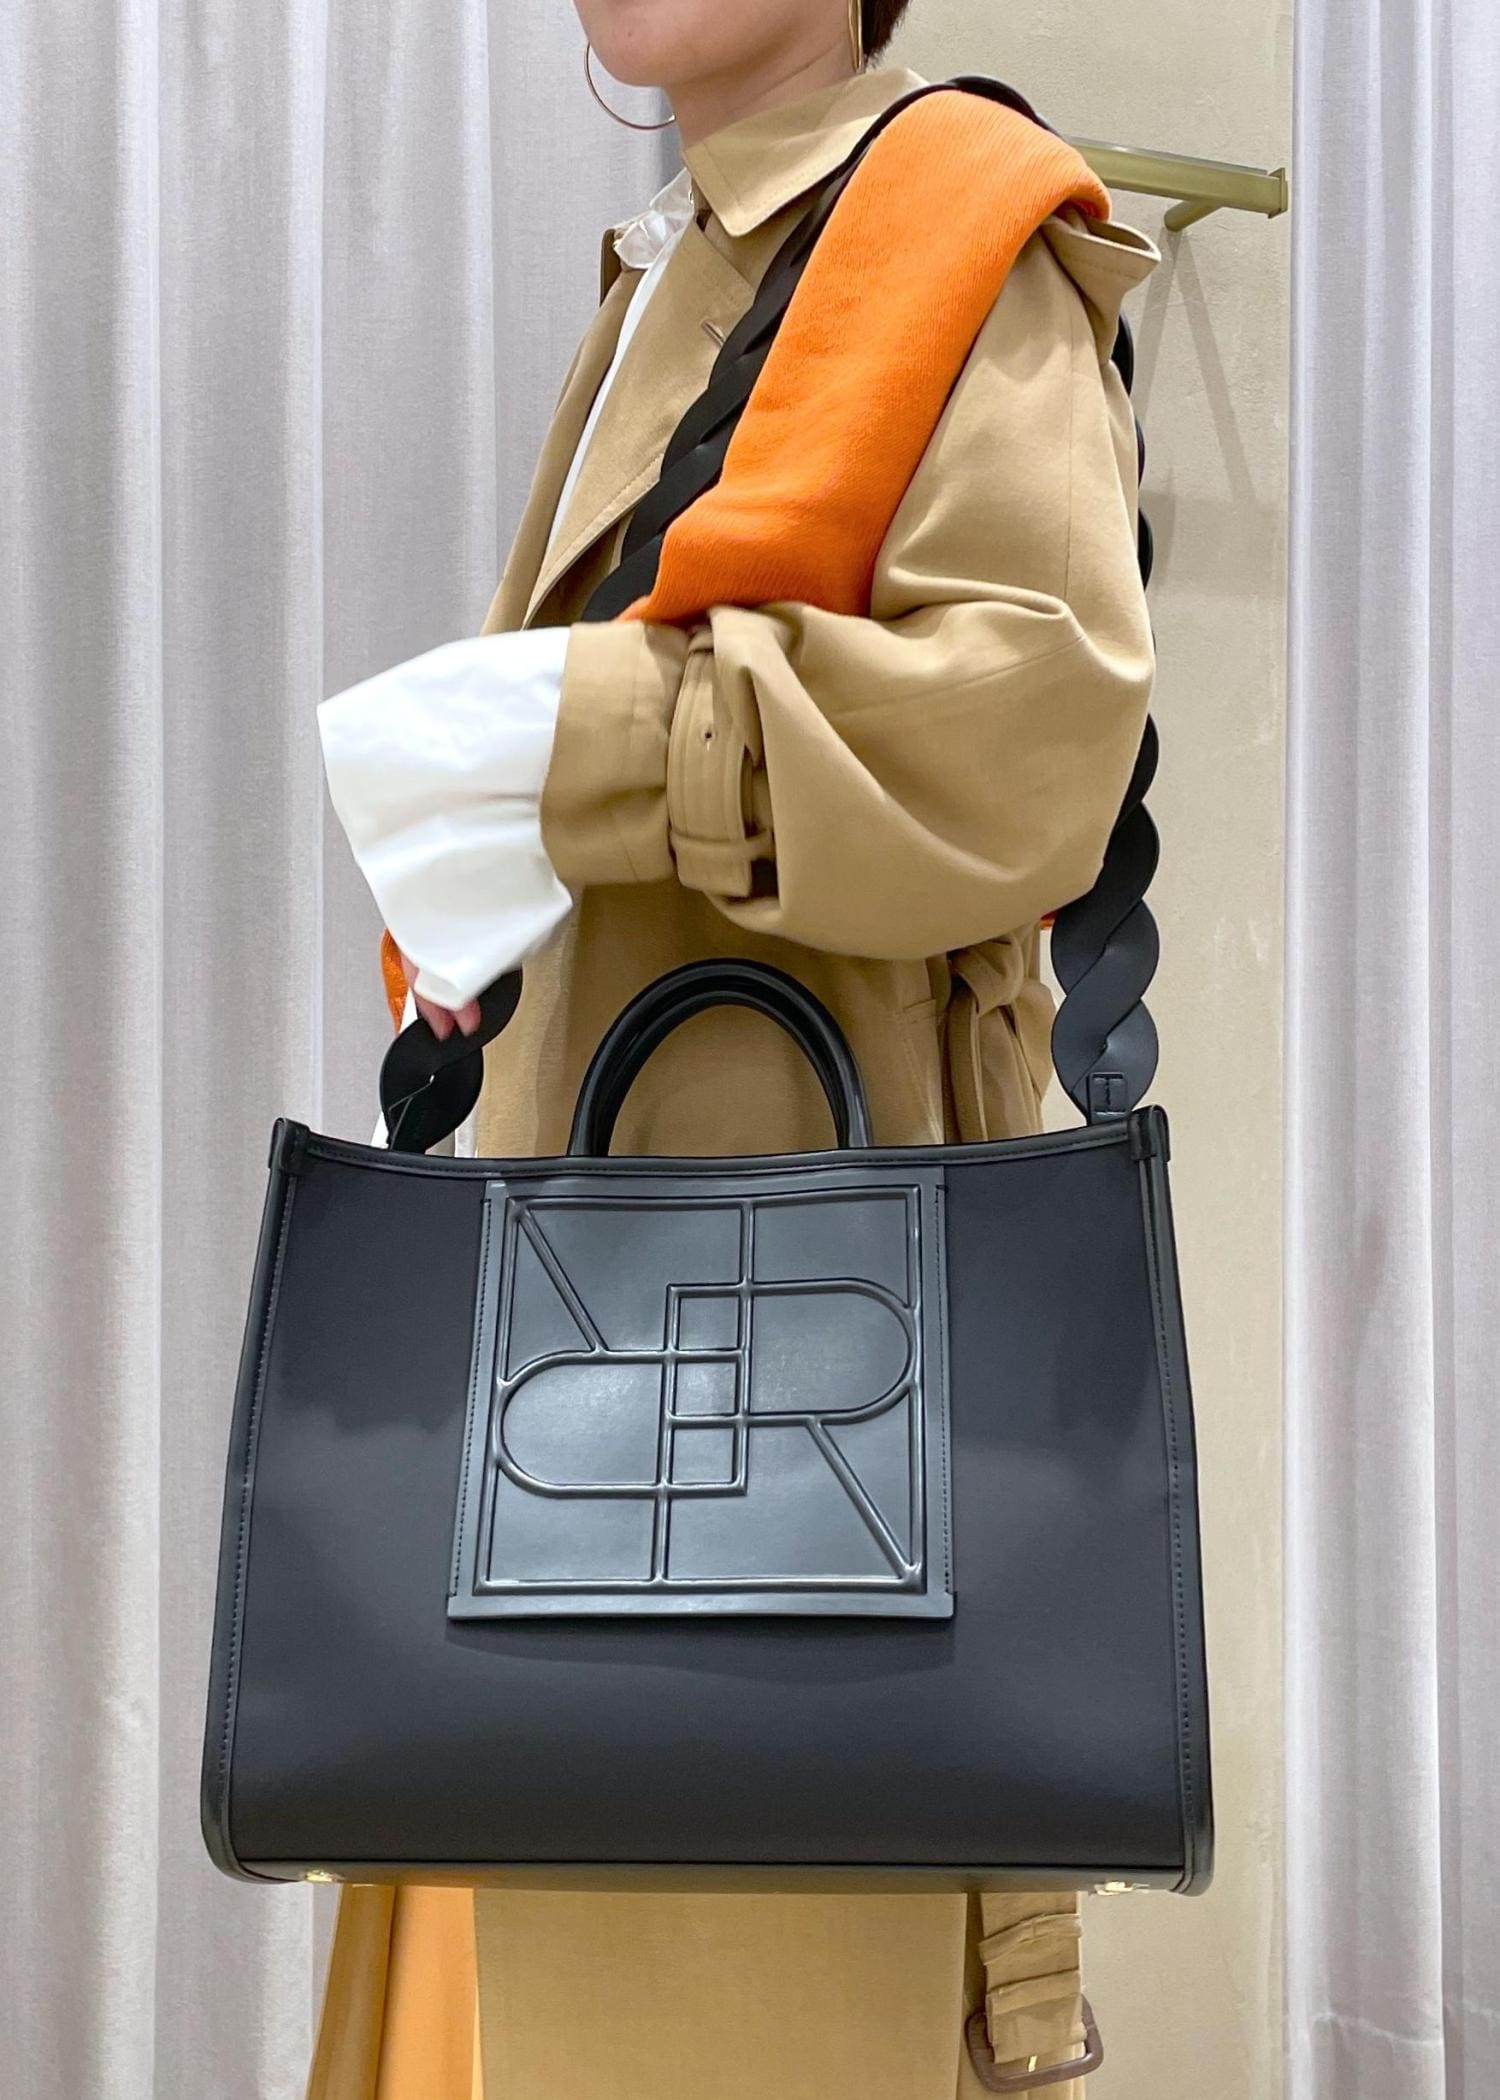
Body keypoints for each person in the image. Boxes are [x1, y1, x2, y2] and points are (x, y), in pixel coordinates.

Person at [309, 3, 1160, 2095]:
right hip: (605, 1342)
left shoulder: (954, 228)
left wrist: (586, 739)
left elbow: (1038, 728)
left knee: (738, 1979)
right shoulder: (672, 273)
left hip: (782, 1386)